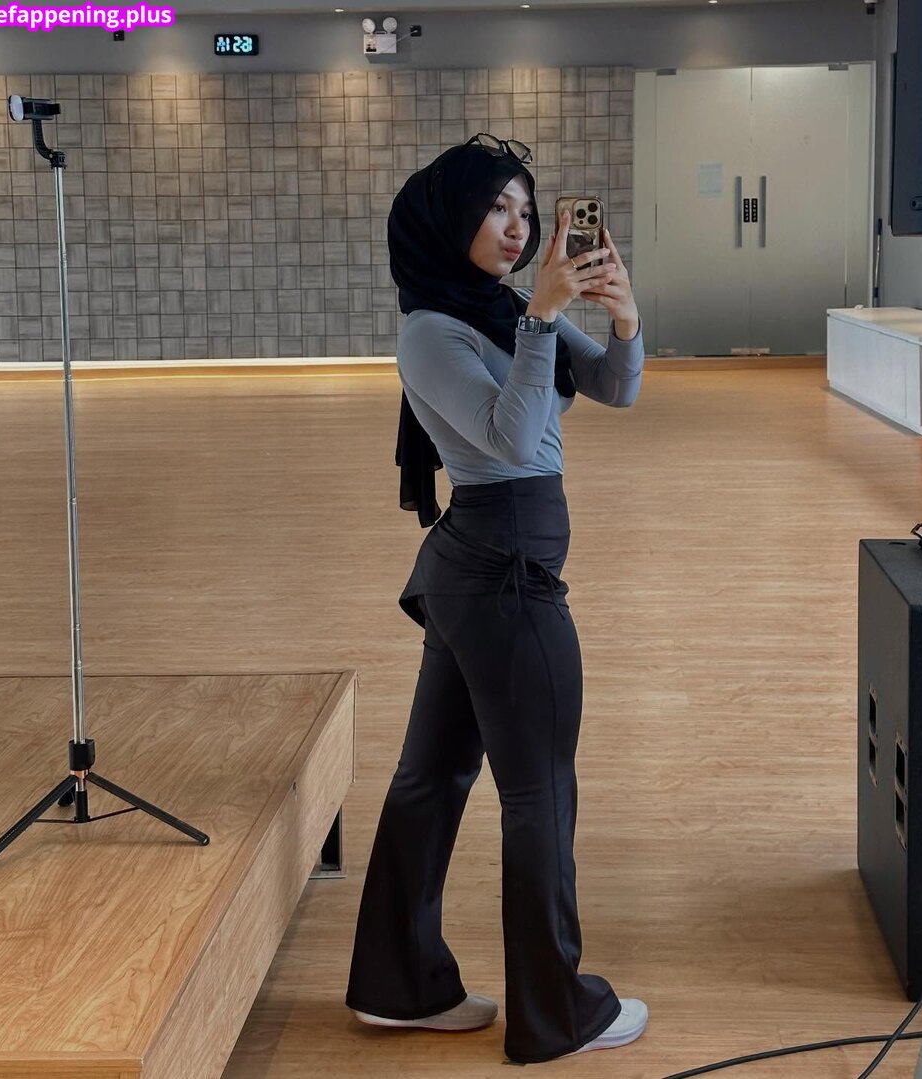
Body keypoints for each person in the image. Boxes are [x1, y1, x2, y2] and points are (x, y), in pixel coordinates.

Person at [344, 132, 648, 1064]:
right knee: (539, 788)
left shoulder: (503, 306)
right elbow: (511, 442)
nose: (517, 227)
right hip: (502, 573)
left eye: (525, 208)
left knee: (432, 778)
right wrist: (542, 318)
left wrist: (625, 318)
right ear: (451, 219)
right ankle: (558, 1013)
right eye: (496, 208)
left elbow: (614, 387)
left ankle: (400, 985)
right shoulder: (431, 331)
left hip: (479, 574)